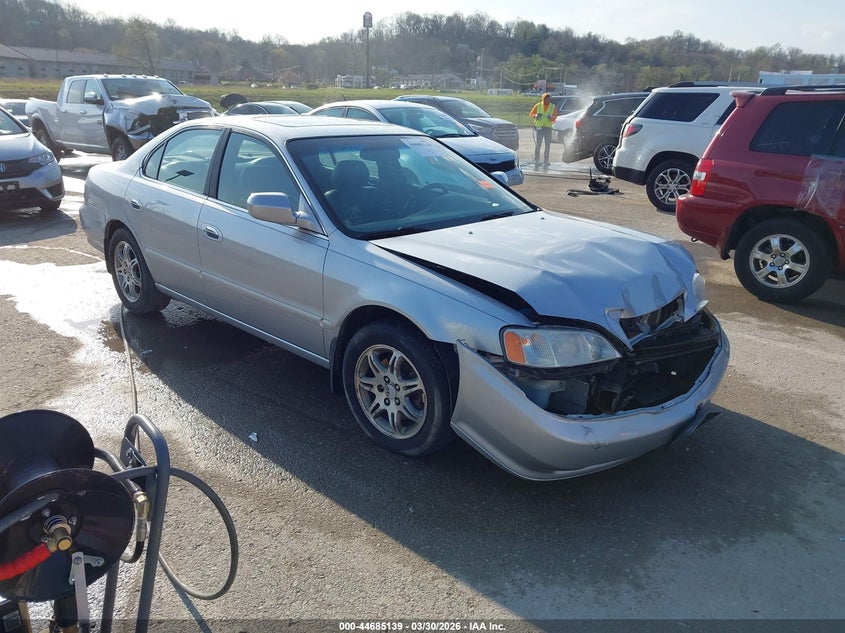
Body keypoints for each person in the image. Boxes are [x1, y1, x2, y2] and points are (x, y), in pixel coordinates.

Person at [529, 93, 558, 168]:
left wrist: (551, 117)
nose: (547, 101)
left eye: (548, 99)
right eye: (546, 99)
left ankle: (546, 160)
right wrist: (536, 115)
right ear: (543, 99)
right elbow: (531, 114)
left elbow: (555, 117)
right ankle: (537, 160)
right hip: (539, 128)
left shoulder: (552, 106)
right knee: (538, 144)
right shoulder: (538, 105)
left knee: (547, 144)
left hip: (548, 128)